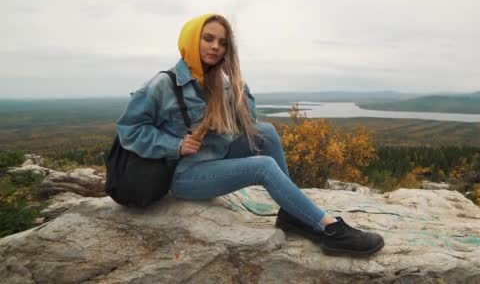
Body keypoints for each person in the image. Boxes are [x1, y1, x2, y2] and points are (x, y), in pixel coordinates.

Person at [115, 14, 384, 257]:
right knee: (263, 167)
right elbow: (129, 128)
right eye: (208, 39)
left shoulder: (222, 82)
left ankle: (293, 214)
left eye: (222, 42)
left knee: (265, 133)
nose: (215, 47)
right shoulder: (163, 84)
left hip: (215, 157)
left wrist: (240, 86)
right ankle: (330, 229)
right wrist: (175, 145)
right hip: (184, 175)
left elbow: (249, 126)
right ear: (191, 40)